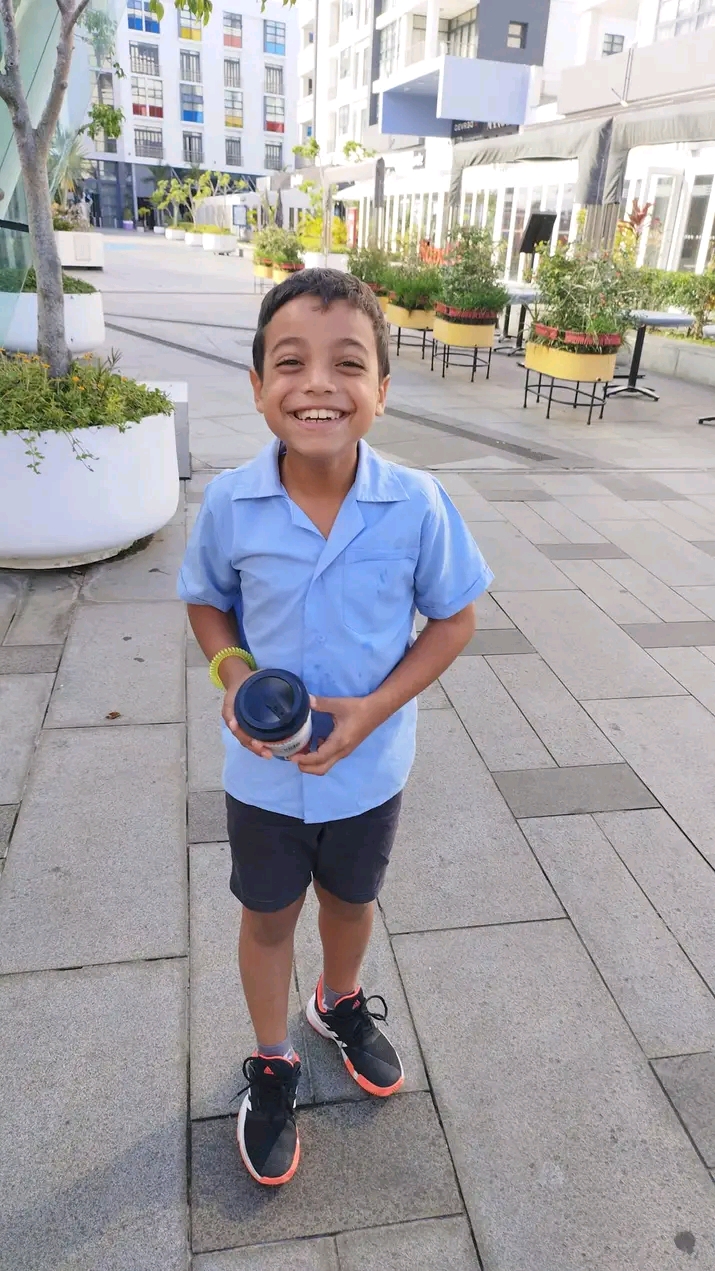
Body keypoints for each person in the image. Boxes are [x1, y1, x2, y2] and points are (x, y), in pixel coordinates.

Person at [178, 268, 493, 1187]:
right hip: (264, 778)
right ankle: (273, 1055)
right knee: (267, 913)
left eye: (347, 363)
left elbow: (454, 619)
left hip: (369, 770)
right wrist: (233, 673)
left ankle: (338, 1000)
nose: (317, 383)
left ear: (381, 390)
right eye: (290, 362)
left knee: (352, 902)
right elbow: (206, 602)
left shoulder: (417, 503)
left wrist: (373, 710)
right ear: (257, 387)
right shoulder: (231, 503)